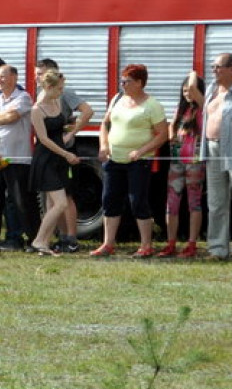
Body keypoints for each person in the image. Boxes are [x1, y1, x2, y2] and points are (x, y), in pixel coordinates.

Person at [91, 64, 169, 258]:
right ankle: (108, 244)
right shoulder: (117, 99)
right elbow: (105, 123)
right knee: (109, 200)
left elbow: (162, 135)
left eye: (127, 81)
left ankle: (146, 245)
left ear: (140, 83)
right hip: (113, 160)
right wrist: (103, 145)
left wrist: (141, 151)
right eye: (122, 81)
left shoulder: (152, 105)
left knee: (137, 201)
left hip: (139, 161)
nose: (123, 84)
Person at [35, 58, 94, 253]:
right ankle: (49, 239)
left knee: (63, 199)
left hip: (62, 154)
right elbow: (43, 135)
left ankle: (67, 238)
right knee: (54, 201)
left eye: (40, 73)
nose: (37, 78)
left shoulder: (62, 95)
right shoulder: (40, 101)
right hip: (49, 155)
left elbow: (86, 112)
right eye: (36, 74)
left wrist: (70, 133)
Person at [28, 71, 81, 256]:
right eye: (59, 89)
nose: (61, 92)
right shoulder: (36, 110)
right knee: (61, 203)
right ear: (49, 87)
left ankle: (44, 244)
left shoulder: (57, 102)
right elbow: (43, 139)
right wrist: (66, 154)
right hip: (45, 160)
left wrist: (70, 128)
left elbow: (59, 127)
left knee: (53, 205)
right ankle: (38, 240)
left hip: (59, 159)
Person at [0, 64, 37, 252]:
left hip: (17, 158)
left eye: (3, 76)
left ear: (14, 78)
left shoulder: (23, 97)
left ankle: (34, 240)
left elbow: (12, 116)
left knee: (22, 201)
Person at [158, 72, 206, 258]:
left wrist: (192, 73)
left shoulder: (203, 107)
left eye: (190, 91)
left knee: (194, 203)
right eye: (184, 91)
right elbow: (172, 126)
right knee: (172, 204)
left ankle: (192, 244)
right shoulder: (181, 108)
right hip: (176, 162)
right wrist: (171, 133)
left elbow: (193, 86)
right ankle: (171, 243)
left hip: (195, 162)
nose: (188, 94)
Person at [193, 53, 232, 260]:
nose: (214, 70)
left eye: (218, 67)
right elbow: (192, 89)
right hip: (212, 147)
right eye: (213, 67)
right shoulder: (211, 89)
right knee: (216, 202)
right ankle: (218, 250)